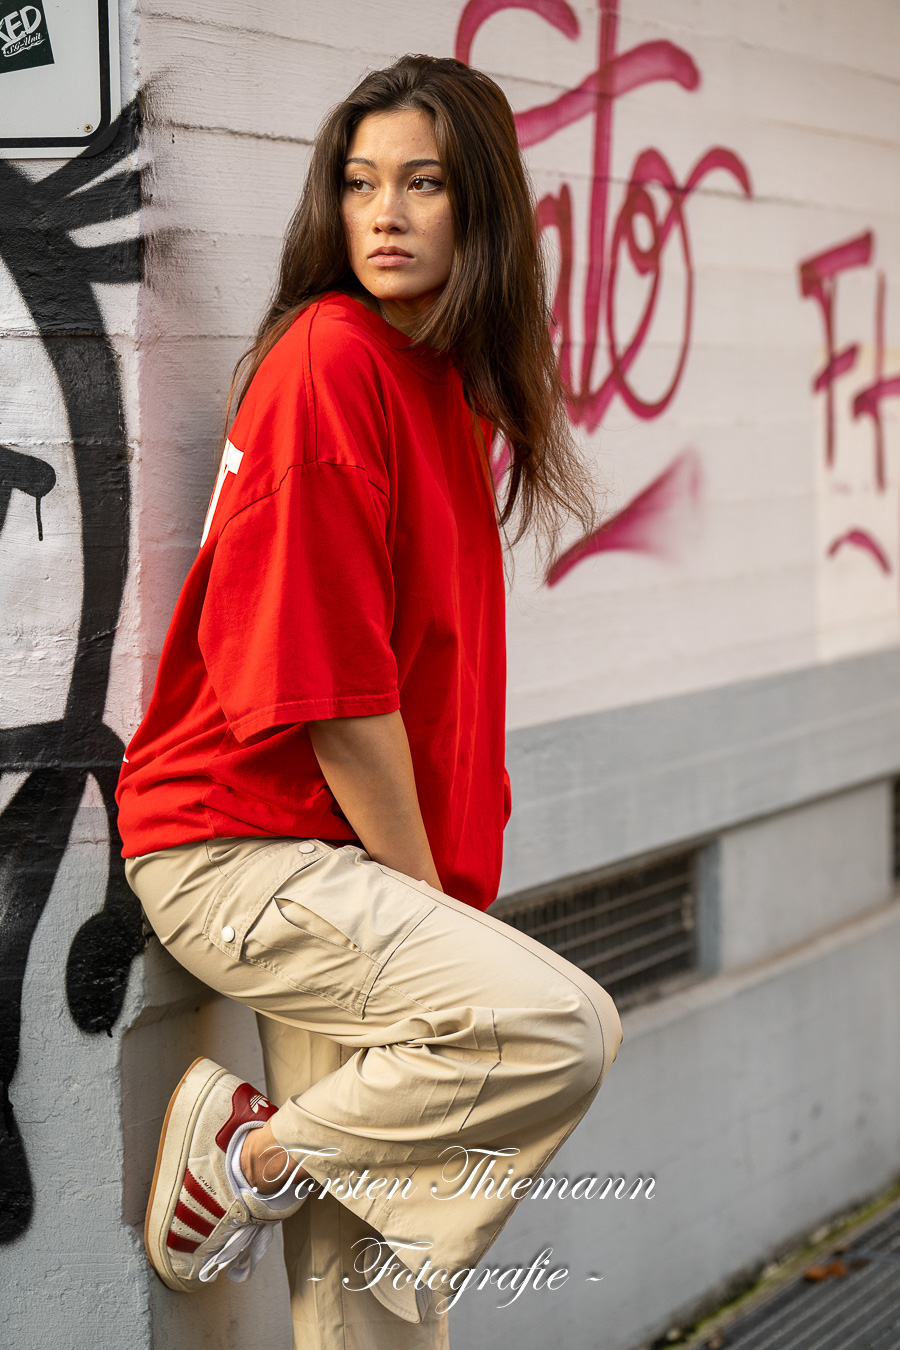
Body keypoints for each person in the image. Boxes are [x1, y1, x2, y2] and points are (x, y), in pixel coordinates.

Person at [117, 53, 623, 1350]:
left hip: (339, 862)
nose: (384, 213)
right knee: (555, 1026)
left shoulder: (442, 387)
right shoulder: (331, 362)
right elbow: (337, 699)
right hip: (248, 850)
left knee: (378, 1290)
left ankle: (272, 1158)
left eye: (424, 183)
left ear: (483, 209)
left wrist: (434, 889)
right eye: (358, 183)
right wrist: (429, 906)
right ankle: (249, 1156)